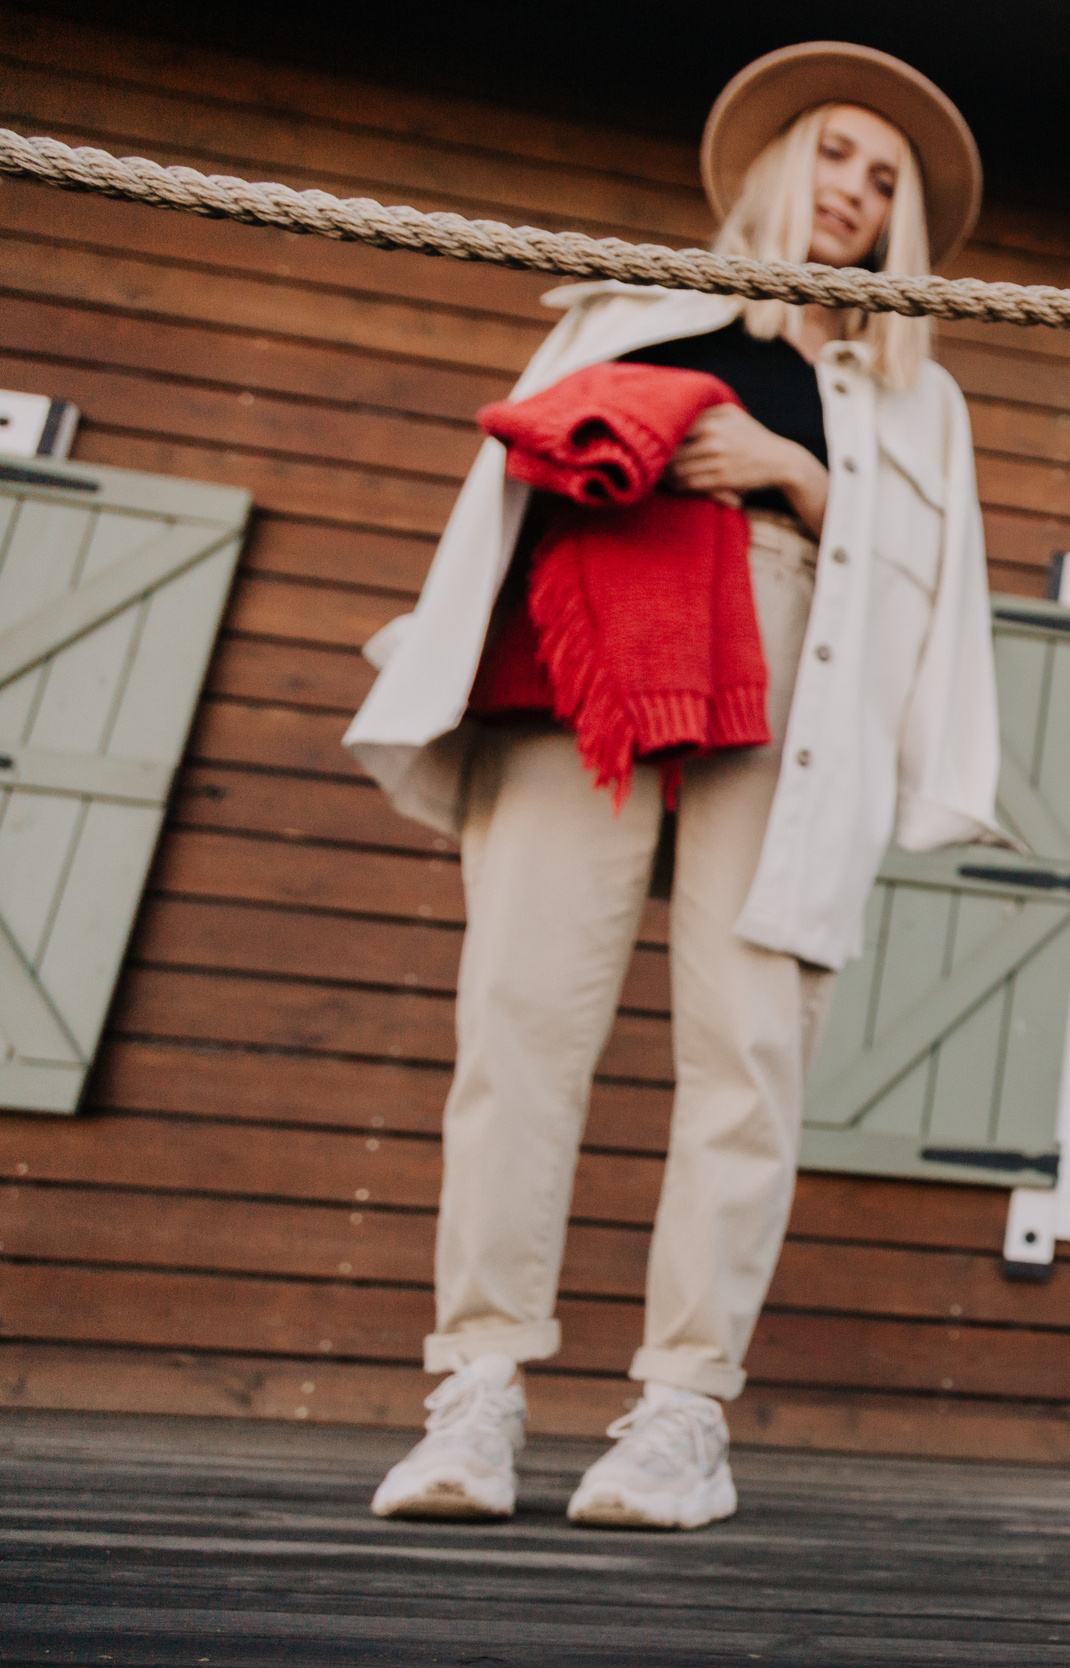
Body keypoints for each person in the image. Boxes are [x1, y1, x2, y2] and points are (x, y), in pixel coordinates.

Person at [342, 42, 1006, 1529]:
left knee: (748, 1045)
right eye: (839, 154)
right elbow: (502, 506)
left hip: (795, 679)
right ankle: (478, 1394)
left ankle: (679, 1417)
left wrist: (789, 471)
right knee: (520, 1019)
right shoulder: (620, 310)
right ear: (781, 161)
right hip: (587, 661)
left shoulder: (921, 404)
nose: (856, 191)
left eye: (886, 182)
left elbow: (931, 599)